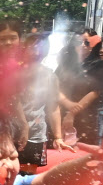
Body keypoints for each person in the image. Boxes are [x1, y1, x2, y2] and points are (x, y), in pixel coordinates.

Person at [19, 33, 73, 173]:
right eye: (31, 47)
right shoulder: (12, 73)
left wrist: (58, 137)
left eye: (40, 48)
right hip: (10, 133)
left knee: (27, 179)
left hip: (35, 135)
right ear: (23, 49)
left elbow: (53, 107)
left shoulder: (49, 76)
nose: (36, 51)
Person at [56, 30, 103, 145]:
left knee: (83, 150)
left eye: (87, 42)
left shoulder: (99, 64)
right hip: (60, 111)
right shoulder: (65, 65)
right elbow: (55, 86)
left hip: (85, 115)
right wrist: (65, 105)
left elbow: (95, 92)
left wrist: (72, 113)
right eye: (78, 42)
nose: (82, 45)